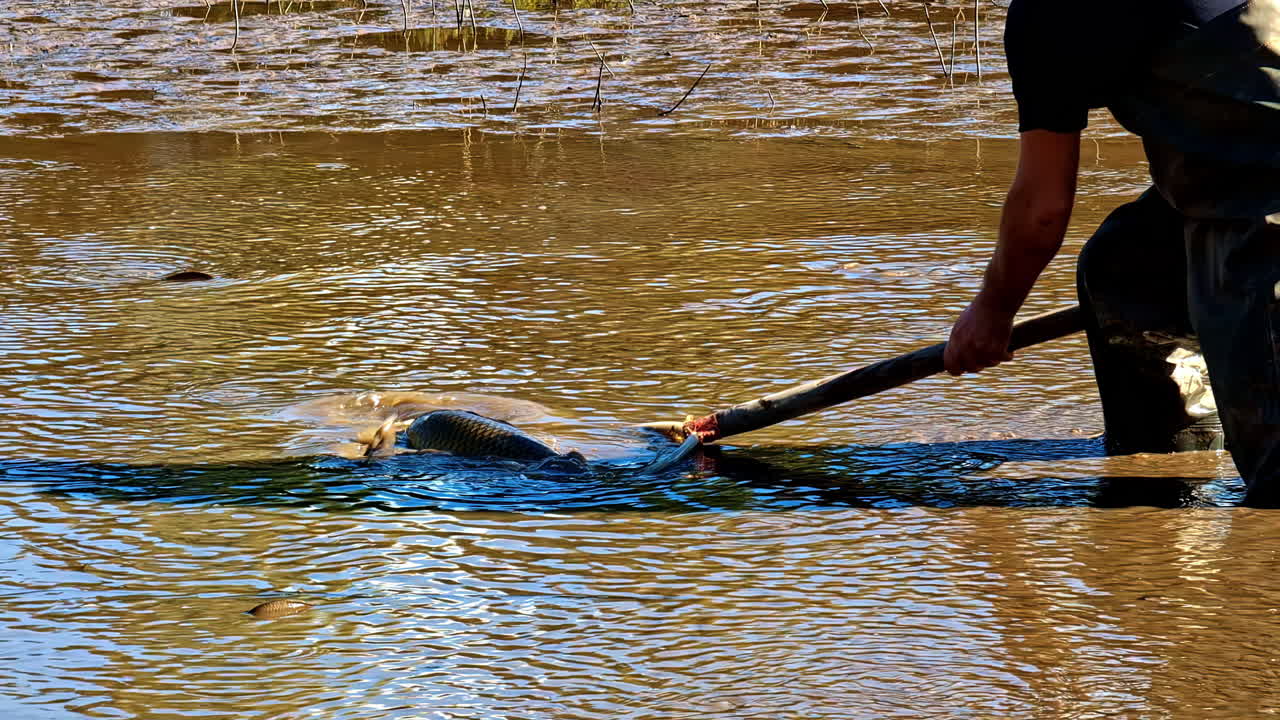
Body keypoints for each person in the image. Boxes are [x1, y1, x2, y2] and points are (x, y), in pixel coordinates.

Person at [942, 0, 1280, 504]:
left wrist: (991, 312)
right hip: (1242, 167)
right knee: (1127, 268)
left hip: (1264, 200)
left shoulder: (1049, 12)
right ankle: (1171, 464)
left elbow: (1042, 209)